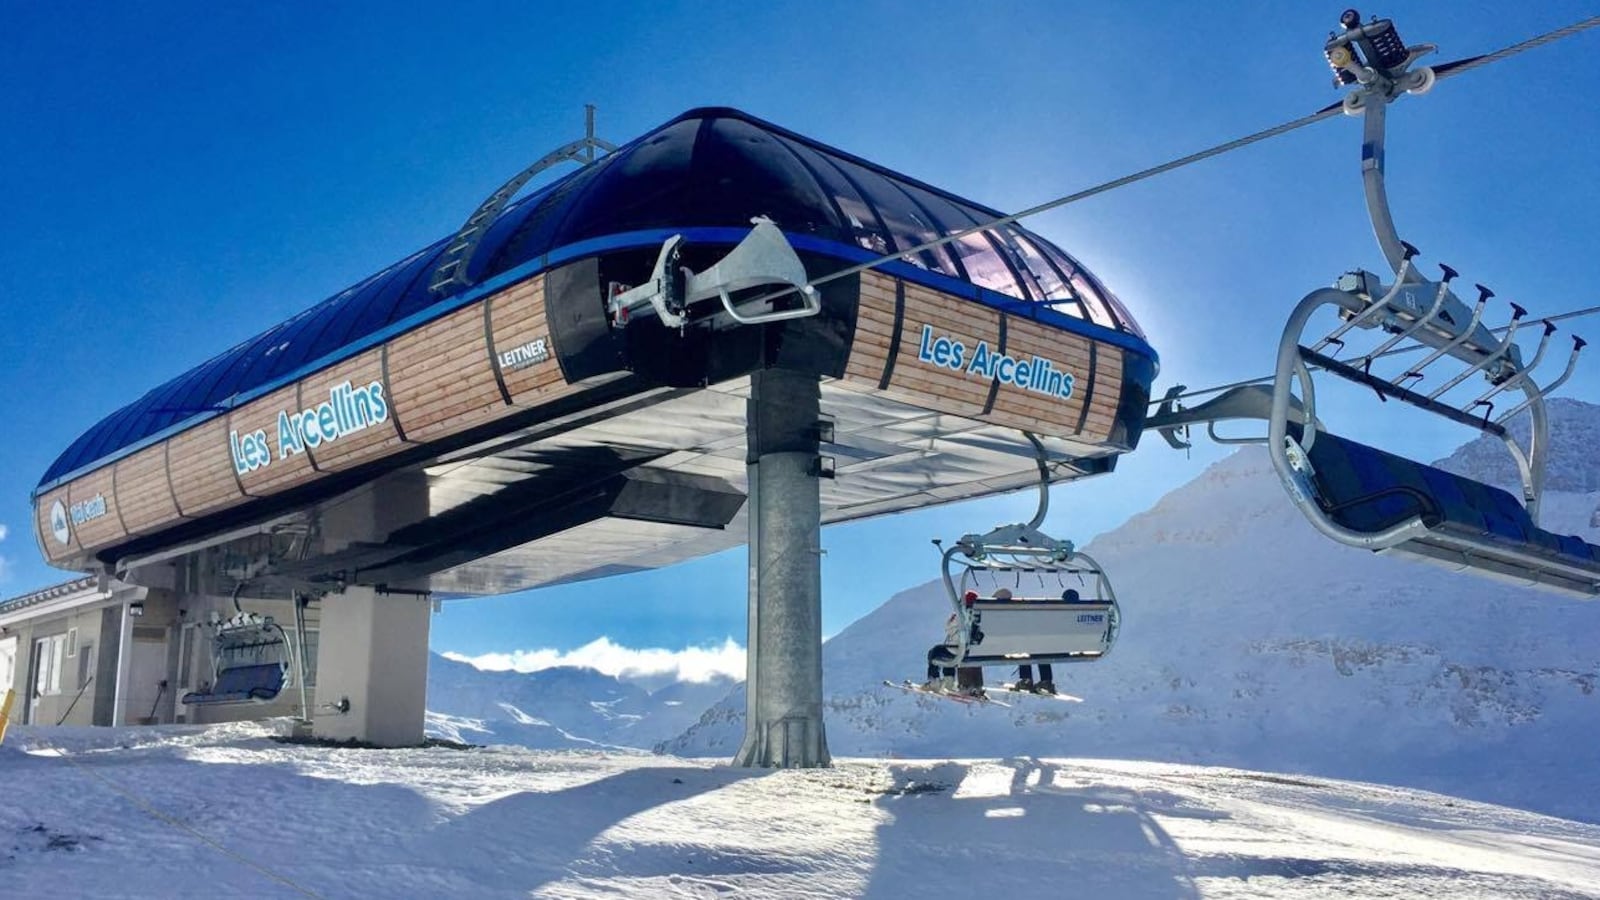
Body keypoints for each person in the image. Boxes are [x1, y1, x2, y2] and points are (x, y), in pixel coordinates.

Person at [924, 591, 984, 695]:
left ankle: (935, 680)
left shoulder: (961, 615)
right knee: (949, 653)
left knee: (936, 652)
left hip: (960, 649)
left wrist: (954, 617)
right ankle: (949, 681)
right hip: (976, 651)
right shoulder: (982, 616)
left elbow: (949, 628)